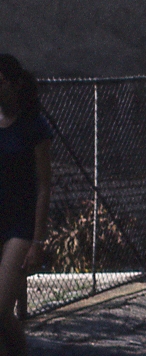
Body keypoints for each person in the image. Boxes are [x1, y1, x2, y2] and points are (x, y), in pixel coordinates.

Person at [0, 55, 52, 356]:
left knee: (1, 308)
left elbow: (44, 184)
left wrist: (38, 240)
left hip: (20, 227)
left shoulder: (34, 126)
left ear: (11, 84)